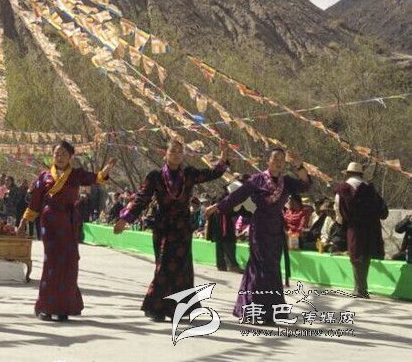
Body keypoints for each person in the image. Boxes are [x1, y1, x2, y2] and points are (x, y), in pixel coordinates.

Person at [114, 139, 230, 322]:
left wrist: (223, 156)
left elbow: (212, 173)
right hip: (163, 227)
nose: (176, 154)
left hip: (183, 228)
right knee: (163, 267)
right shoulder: (155, 176)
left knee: (182, 269)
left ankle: (179, 309)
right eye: (173, 151)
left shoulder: (189, 174)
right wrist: (125, 219)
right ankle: (156, 308)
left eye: (179, 151)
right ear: (165, 154)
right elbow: (142, 199)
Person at [206, 147, 311, 325]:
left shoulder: (287, 181)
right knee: (258, 268)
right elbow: (237, 196)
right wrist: (217, 206)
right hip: (260, 228)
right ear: (268, 161)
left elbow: (306, 185)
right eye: (275, 158)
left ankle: (271, 312)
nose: (278, 162)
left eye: (282, 159)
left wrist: (299, 165)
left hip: (276, 230)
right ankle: (252, 310)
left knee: (272, 268)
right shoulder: (257, 180)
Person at [16, 140, 116, 322]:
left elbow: (96, 178)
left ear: (71, 157)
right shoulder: (44, 177)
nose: (59, 157)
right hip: (49, 223)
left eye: (63, 154)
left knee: (69, 263)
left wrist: (106, 170)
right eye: (57, 154)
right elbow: (35, 202)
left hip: (69, 223)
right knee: (51, 262)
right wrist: (23, 222)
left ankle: (64, 307)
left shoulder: (76, 175)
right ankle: (46, 307)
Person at [334, 162, 388, 298]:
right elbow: (382, 210)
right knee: (366, 255)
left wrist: (340, 223)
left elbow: (338, 208)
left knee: (355, 256)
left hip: (355, 227)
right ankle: (361, 287)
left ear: (348, 173)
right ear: (361, 174)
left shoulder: (343, 188)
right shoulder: (370, 189)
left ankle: (360, 289)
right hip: (371, 227)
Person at [205, 195, 240, 272]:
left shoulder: (228, 209)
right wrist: (216, 205)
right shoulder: (215, 209)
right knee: (222, 249)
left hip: (226, 233)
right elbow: (206, 212)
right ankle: (225, 266)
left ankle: (230, 265)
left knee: (228, 247)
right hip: (220, 233)